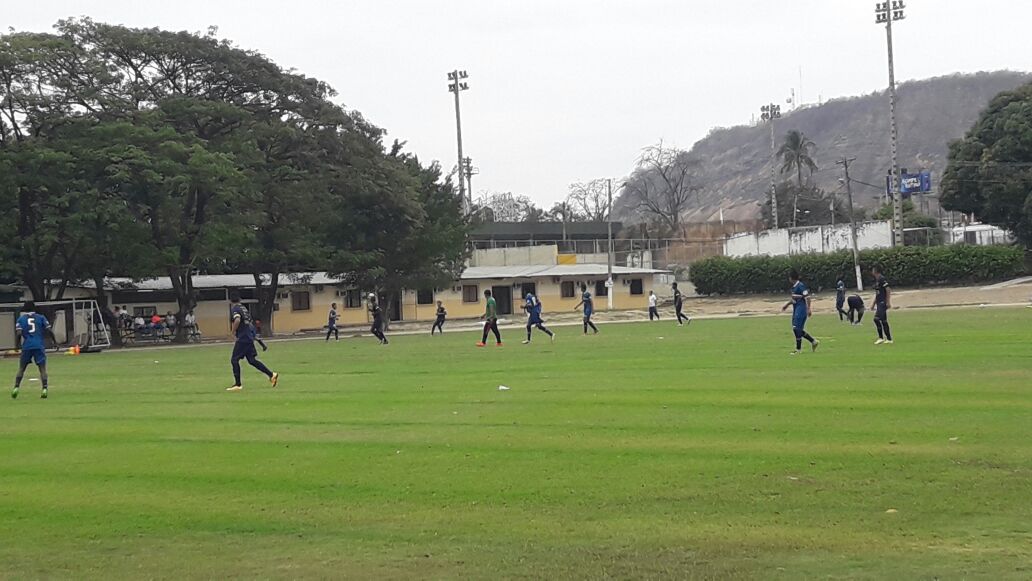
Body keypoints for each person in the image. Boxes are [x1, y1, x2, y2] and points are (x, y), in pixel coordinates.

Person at [226, 293, 278, 392]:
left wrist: (232, 332)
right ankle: (271, 375)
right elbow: (250, 325)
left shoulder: (235, 309)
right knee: (252, 360)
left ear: (230, 301)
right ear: (240, 299)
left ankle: (238, 384)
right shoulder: (244, 309)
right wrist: (257, 339)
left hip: (243, 338)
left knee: (234, 360)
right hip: (249, 337)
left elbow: (237, 320)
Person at [12, 302, 51, 399]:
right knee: (42, 369)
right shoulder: (41, 317)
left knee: (21, 368)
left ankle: (16, 388)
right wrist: (55, 342)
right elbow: (49, 330)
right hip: (39, 346)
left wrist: (17, 345)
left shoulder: (21, 319)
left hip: (27, 346)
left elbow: (19, 333)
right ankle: (44, 389)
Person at [781, 270, 819, 355]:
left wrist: (808, 309)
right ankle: (813, 341)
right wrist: (787, 305)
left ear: (791, 278)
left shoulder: (800, 286)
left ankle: (798, 349)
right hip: (796, 310)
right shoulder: (794, 287)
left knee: (796, 329)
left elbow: (807, 297)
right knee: (798, 329)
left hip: (801, 310)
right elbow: (794, 299)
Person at [871, 265, 894, 344]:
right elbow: (877, 293)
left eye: (873, 270)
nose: (872, 271)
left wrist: (888, 301)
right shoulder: (877, 280)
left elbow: (888, 289)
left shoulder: (881, 279)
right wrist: (873, 304)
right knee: (884, 321)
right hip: (879, 302)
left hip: (882, 302)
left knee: (876, 319)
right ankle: (889, 339)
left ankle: (881, 338)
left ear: (875, 271)